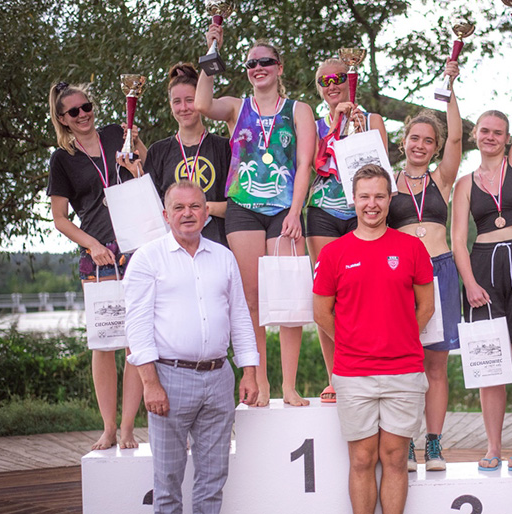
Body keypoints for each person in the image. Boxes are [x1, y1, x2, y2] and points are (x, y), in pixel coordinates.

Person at [196, 26, 316, 407]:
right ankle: (260, 382)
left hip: (285, 211)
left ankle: (291, 385)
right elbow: (201, 104)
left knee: (291, 298)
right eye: (252, 63)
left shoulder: (299, 109)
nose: (258, 67)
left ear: (279, 68)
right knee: (252, 300)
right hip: (243, 209)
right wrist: (213, 49)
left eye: (266, 62)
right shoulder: (235, 106)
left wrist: (296, 211)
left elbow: (304, 165)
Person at [125, 180, 259, 513]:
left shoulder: (224, 258)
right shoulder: (147, 259)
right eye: (179, 208)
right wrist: (150, 383)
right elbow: (137, 327)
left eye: (195, 206)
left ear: (206, 213)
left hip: (219, 377)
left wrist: (250, 372)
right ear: (165, 215)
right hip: (169, 379)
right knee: (168, 482)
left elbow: (240, 317)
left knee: (213, 480)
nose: (188, 214)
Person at [312, 165, 434, 514]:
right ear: (354, 200)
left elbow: (426, 307)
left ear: (390, 199)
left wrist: (400, 335)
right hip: (353, 372)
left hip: (404, 371)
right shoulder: (334, 253)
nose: (372, 204)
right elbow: (322, 314)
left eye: (379, 196)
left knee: (395, 458)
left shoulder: (411, 248)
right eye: (365, 196)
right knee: (363, 459)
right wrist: (353, 342)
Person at [450, 23, 512, 472]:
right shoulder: (465, 182)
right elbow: (457, 239)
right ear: (475, 134)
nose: (490, 135)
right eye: (483, 129)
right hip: (483, 268)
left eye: (497, 131)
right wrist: (468, 282)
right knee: (490, 364)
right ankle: (492, 448)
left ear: (506, 138)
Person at [47, 81, 144, 450]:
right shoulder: (62, 159)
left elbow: (148, 168)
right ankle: (107, 427)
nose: (83, 114)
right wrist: (92, 245)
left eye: (86, 106)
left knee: (137, 342)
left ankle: (128, 428)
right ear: (63, 119)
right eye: (74, 111)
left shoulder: (115, 134)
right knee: (104, 344)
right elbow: (60, 218)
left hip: (136, 248)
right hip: (99, 255)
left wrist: (135, 157)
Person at [386, 60, 462, 472]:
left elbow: (458, 138)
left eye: (428, 140)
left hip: (441, 270)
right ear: (404, 141)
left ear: (435, 146)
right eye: (414, 138)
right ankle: (407, 443)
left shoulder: (443, 180)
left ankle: (433, 443)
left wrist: (449, 88)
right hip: (401, 276)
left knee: (435, 364)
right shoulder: (386, 179)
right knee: (405, 361)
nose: (420, 145)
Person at [307, 57, 389, 403]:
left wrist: (359, 127)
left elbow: (381, 164)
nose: (332, 84)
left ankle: (370, 365)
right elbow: (314, 161)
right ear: (319, 88)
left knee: (367, 290)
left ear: (349, 78)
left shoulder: (372, 119)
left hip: (362, 212)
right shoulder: (313, 123)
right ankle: (336, 375)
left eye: (339, 77)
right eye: (324, 80)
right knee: (329, 294)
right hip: (323, 211)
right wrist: (336, 122)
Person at [146, 63, 230, 247]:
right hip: (173, 250)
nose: (183, 107)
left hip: (219, 246)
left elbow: (237, 208)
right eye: (177, 102)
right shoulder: (158, 152)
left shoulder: (225, 148)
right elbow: (152, 210)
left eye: (190, 100)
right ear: (170, 105)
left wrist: (200, 207)